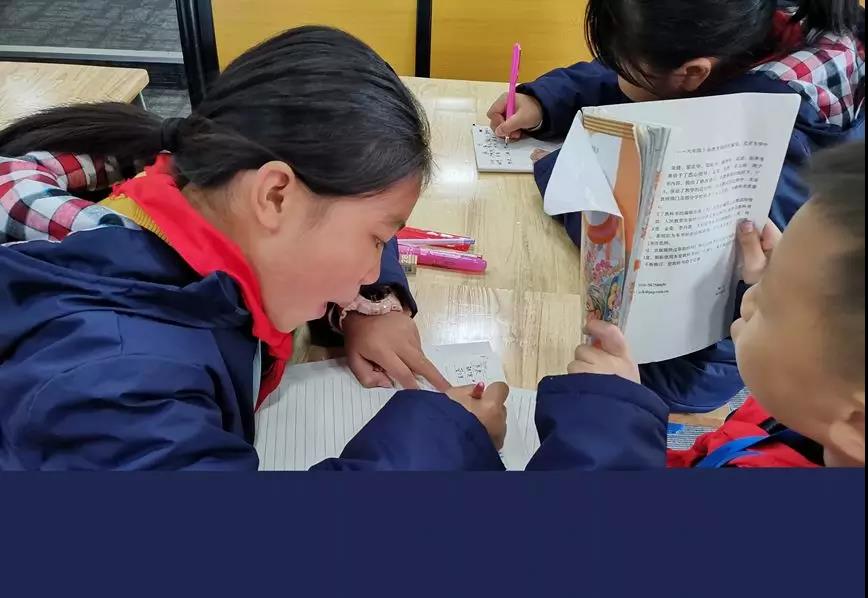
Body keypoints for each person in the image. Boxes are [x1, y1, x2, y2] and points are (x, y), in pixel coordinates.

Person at [0, 26, 509, 470]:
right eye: (376, 240)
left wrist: (367, 307)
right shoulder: (118, 387)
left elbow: (359, 205)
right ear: (274, 195)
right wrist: (446, 439)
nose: (373, 269)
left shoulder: (192, 203)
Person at [487, 0, 865, 413]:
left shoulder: (749, 131)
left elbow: (636, 245)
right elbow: (638, 75)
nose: (614, 72)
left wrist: (559, 172)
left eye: (622, 65)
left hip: (685, 364)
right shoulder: (761, 24)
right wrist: (546, 100)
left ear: (694, 75)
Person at [523, 140, 865, 469]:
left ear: (856, 423)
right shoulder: (806, 407)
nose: (750, 295)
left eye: (768, 302)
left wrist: (613, 419)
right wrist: (785, 287)